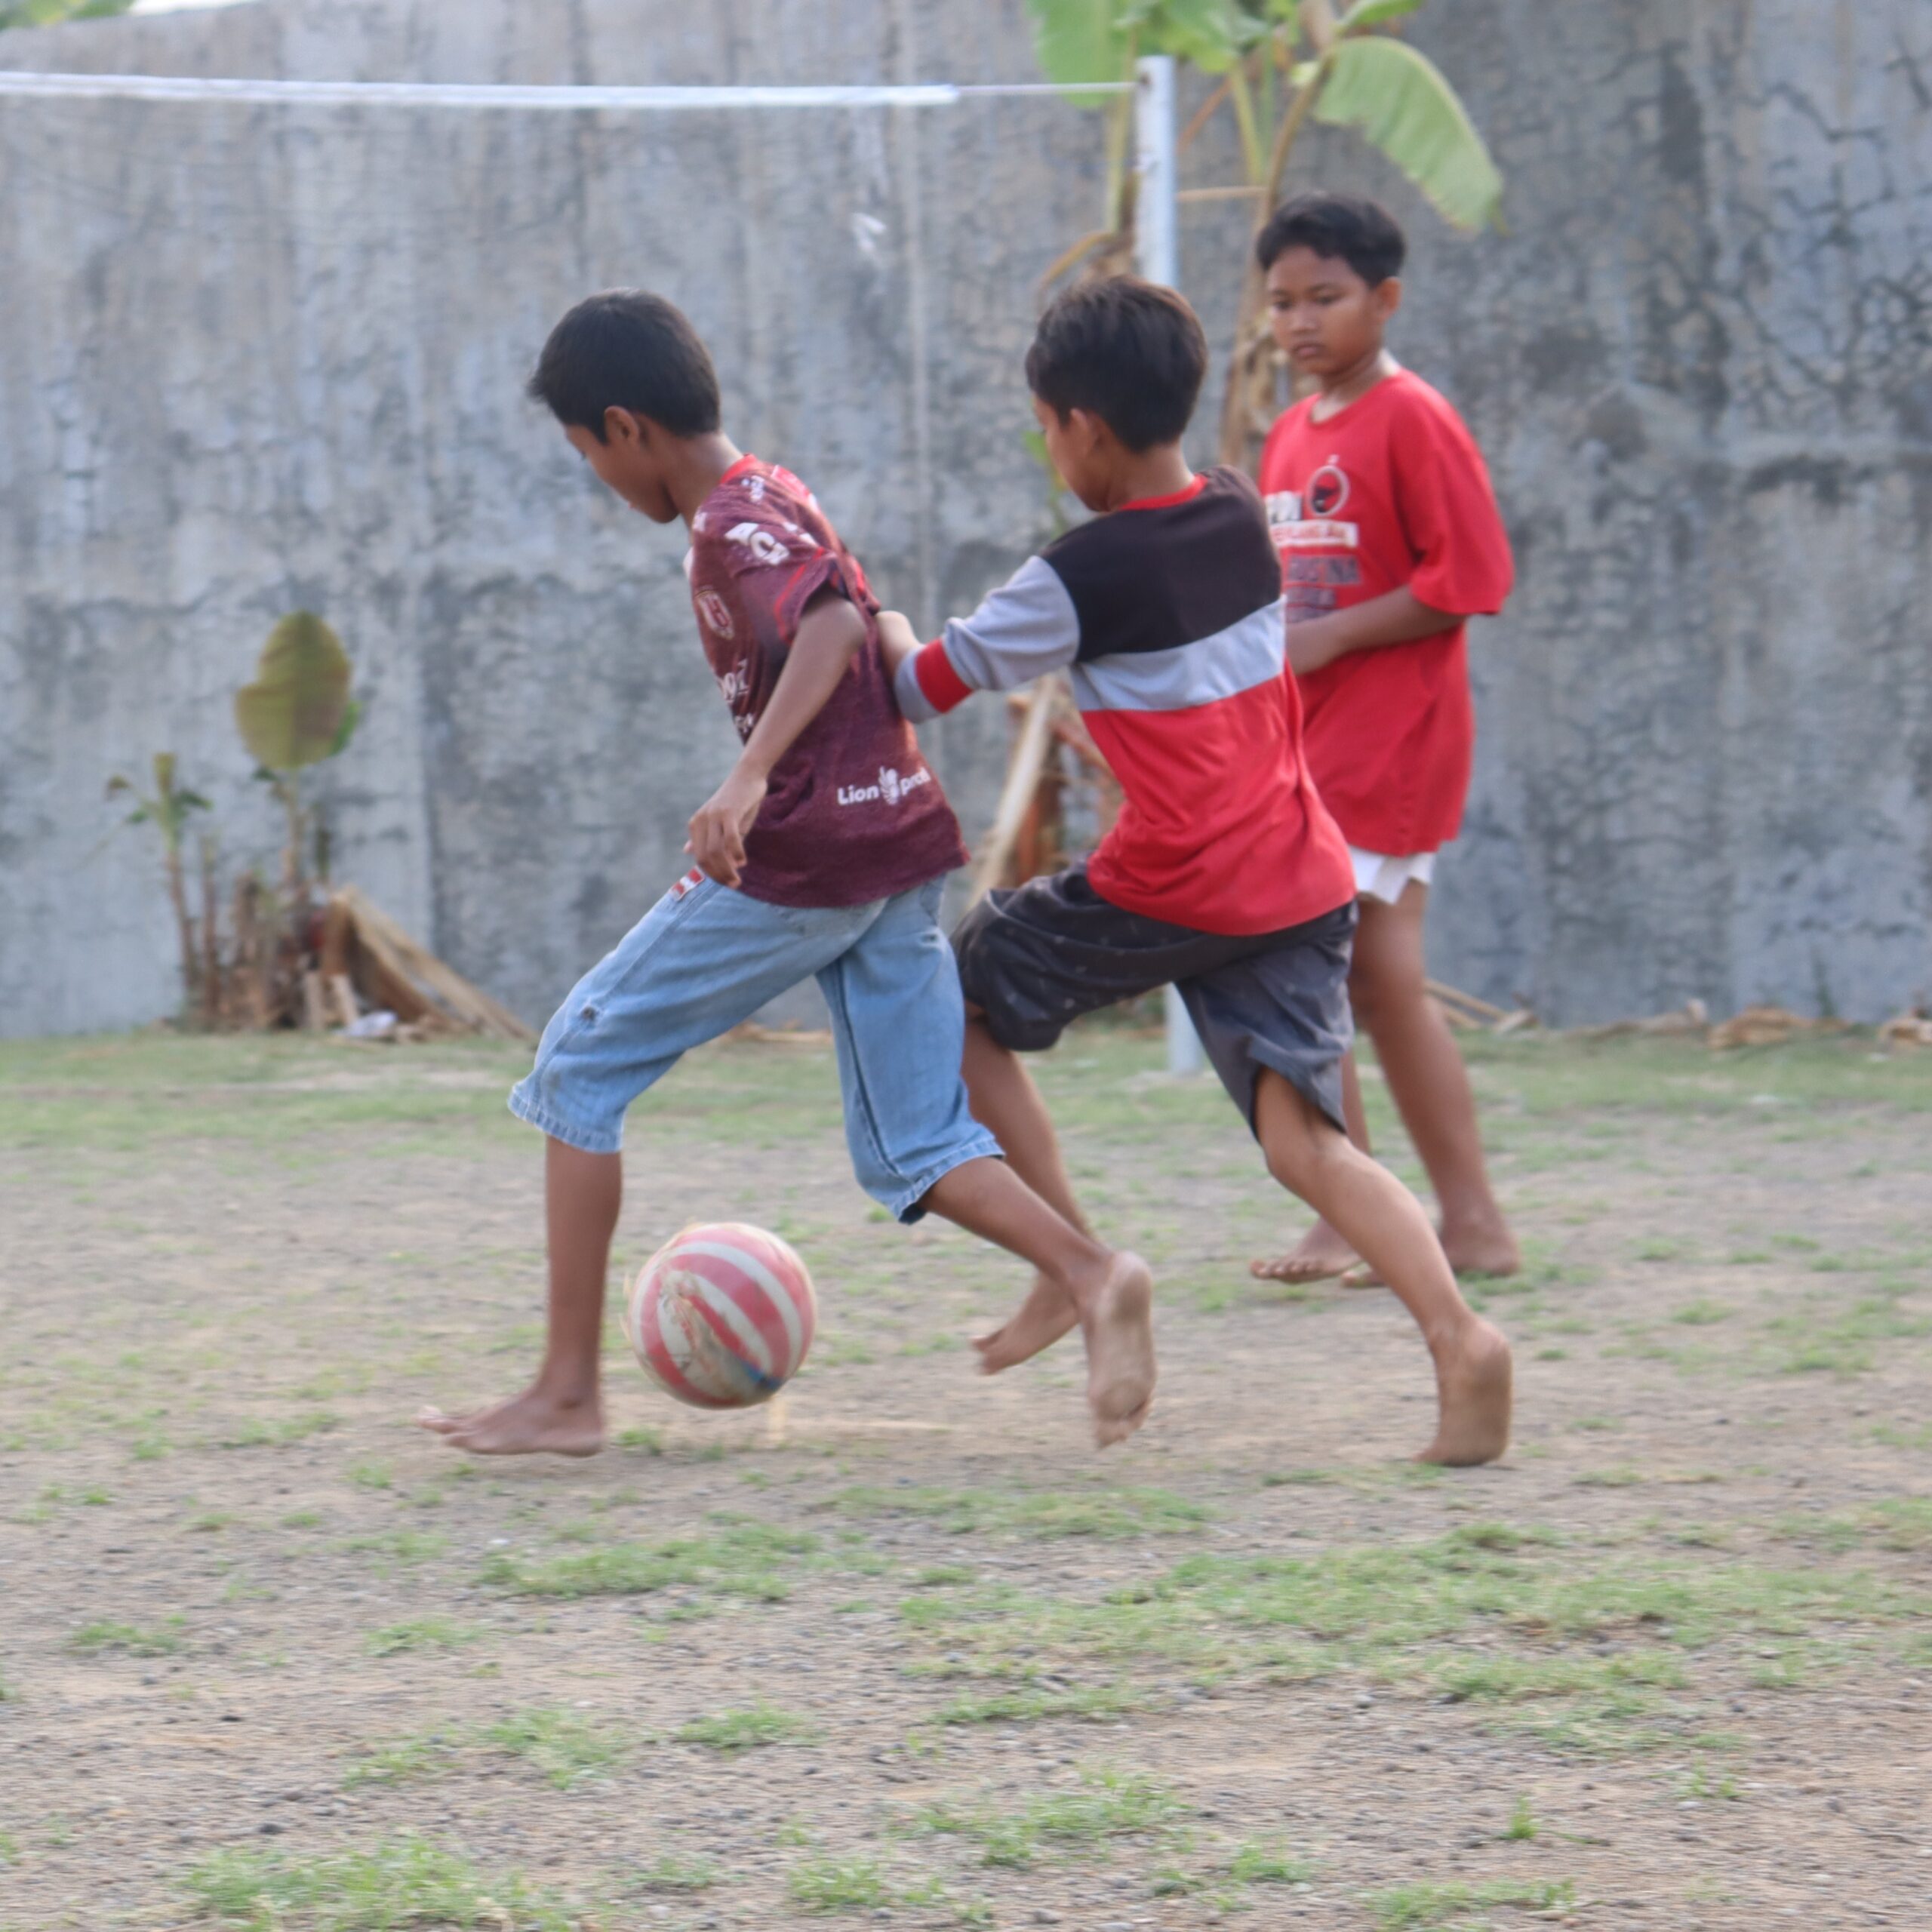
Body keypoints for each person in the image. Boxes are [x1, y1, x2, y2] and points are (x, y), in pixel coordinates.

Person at [419, 289, 1153, 1457]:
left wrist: (749, 776)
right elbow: (856, 617)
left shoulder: (729, 524)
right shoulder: (777, 490)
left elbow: (833, 631)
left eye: (584, 455)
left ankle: (566, 1394)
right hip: (900, 847)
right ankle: (1091, 1268)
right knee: (915, 1144)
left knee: (578, 1065)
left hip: (810, 859)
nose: (600, 481)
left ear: (625, 428)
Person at [880, 276, 1512, 1465]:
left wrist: (886, 626)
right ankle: (1460, 1340)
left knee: (956, 997)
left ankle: (1076, 1265)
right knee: (1310, 1149)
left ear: (1084, 430)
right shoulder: (1239, 514)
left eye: (1046, 426)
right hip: (1302, 874)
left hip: (1171, 883)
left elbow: (926, 687)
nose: (1050, 448)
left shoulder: (1074, 576)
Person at [1248, 192, 1521, 1290]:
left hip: (1392, 741)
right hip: (1310, 748)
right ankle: (1436, 1219)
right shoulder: (1286, 432)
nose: (1302, 321)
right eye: (1281, 302)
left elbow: (1470, 582)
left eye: (1327, 297)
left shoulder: (1414, 418)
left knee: (1338, 973)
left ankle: (1403, 1214)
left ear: (1385, 299)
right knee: (1359, 979)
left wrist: (1324, 642)